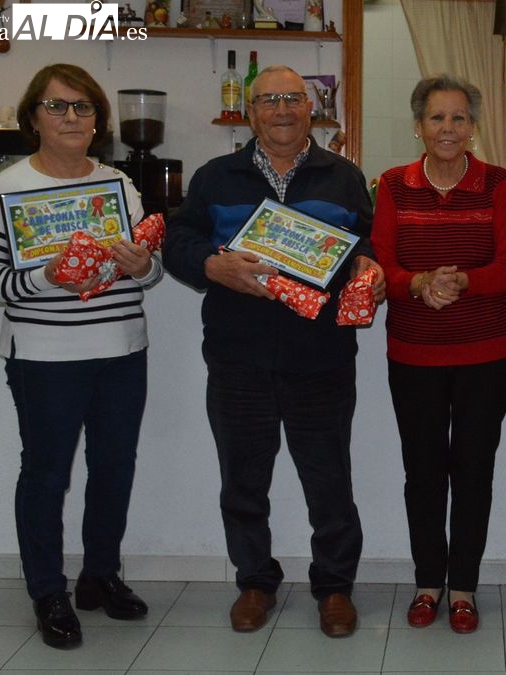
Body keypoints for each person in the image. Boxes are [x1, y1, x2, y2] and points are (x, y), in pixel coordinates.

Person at [162, 65, 385, 639]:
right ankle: (255, 582)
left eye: (293, 98)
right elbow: (178, 240)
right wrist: (209, 265)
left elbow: (369, 241)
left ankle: (334, 588)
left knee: (329, 482)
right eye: (268, 100)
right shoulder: (217, 177)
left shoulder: (343, 176)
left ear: (311, 109)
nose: (282, 109)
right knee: (242, 481)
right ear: (251, 111)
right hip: (238, 359)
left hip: (323, 358)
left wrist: (371, 266)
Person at [0, 64, 161, 649]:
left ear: (98, 120)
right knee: (48, 476)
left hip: (123, 349)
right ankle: (47, 590)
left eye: (82, 107)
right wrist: (47, 276)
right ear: (33, 118)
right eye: (56, 107)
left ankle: (100, 576)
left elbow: (145, 273)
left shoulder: (118, 184)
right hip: (45, 356)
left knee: (113, 469)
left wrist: (142, 266)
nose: (70, 117)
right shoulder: (8, 188)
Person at [372, 75, 506, 634]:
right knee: (423, 474)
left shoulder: (497, 185)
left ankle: (463, 588)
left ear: (473, 128)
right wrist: (416, 286)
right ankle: (426, 584)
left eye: (459, 118)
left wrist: (459, 282)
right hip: (413, 354)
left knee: (474, 471)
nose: (448, 128)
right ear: (419, 126)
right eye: (437, 118)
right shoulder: (391, 185)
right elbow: (381, 265)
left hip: (484, 354)